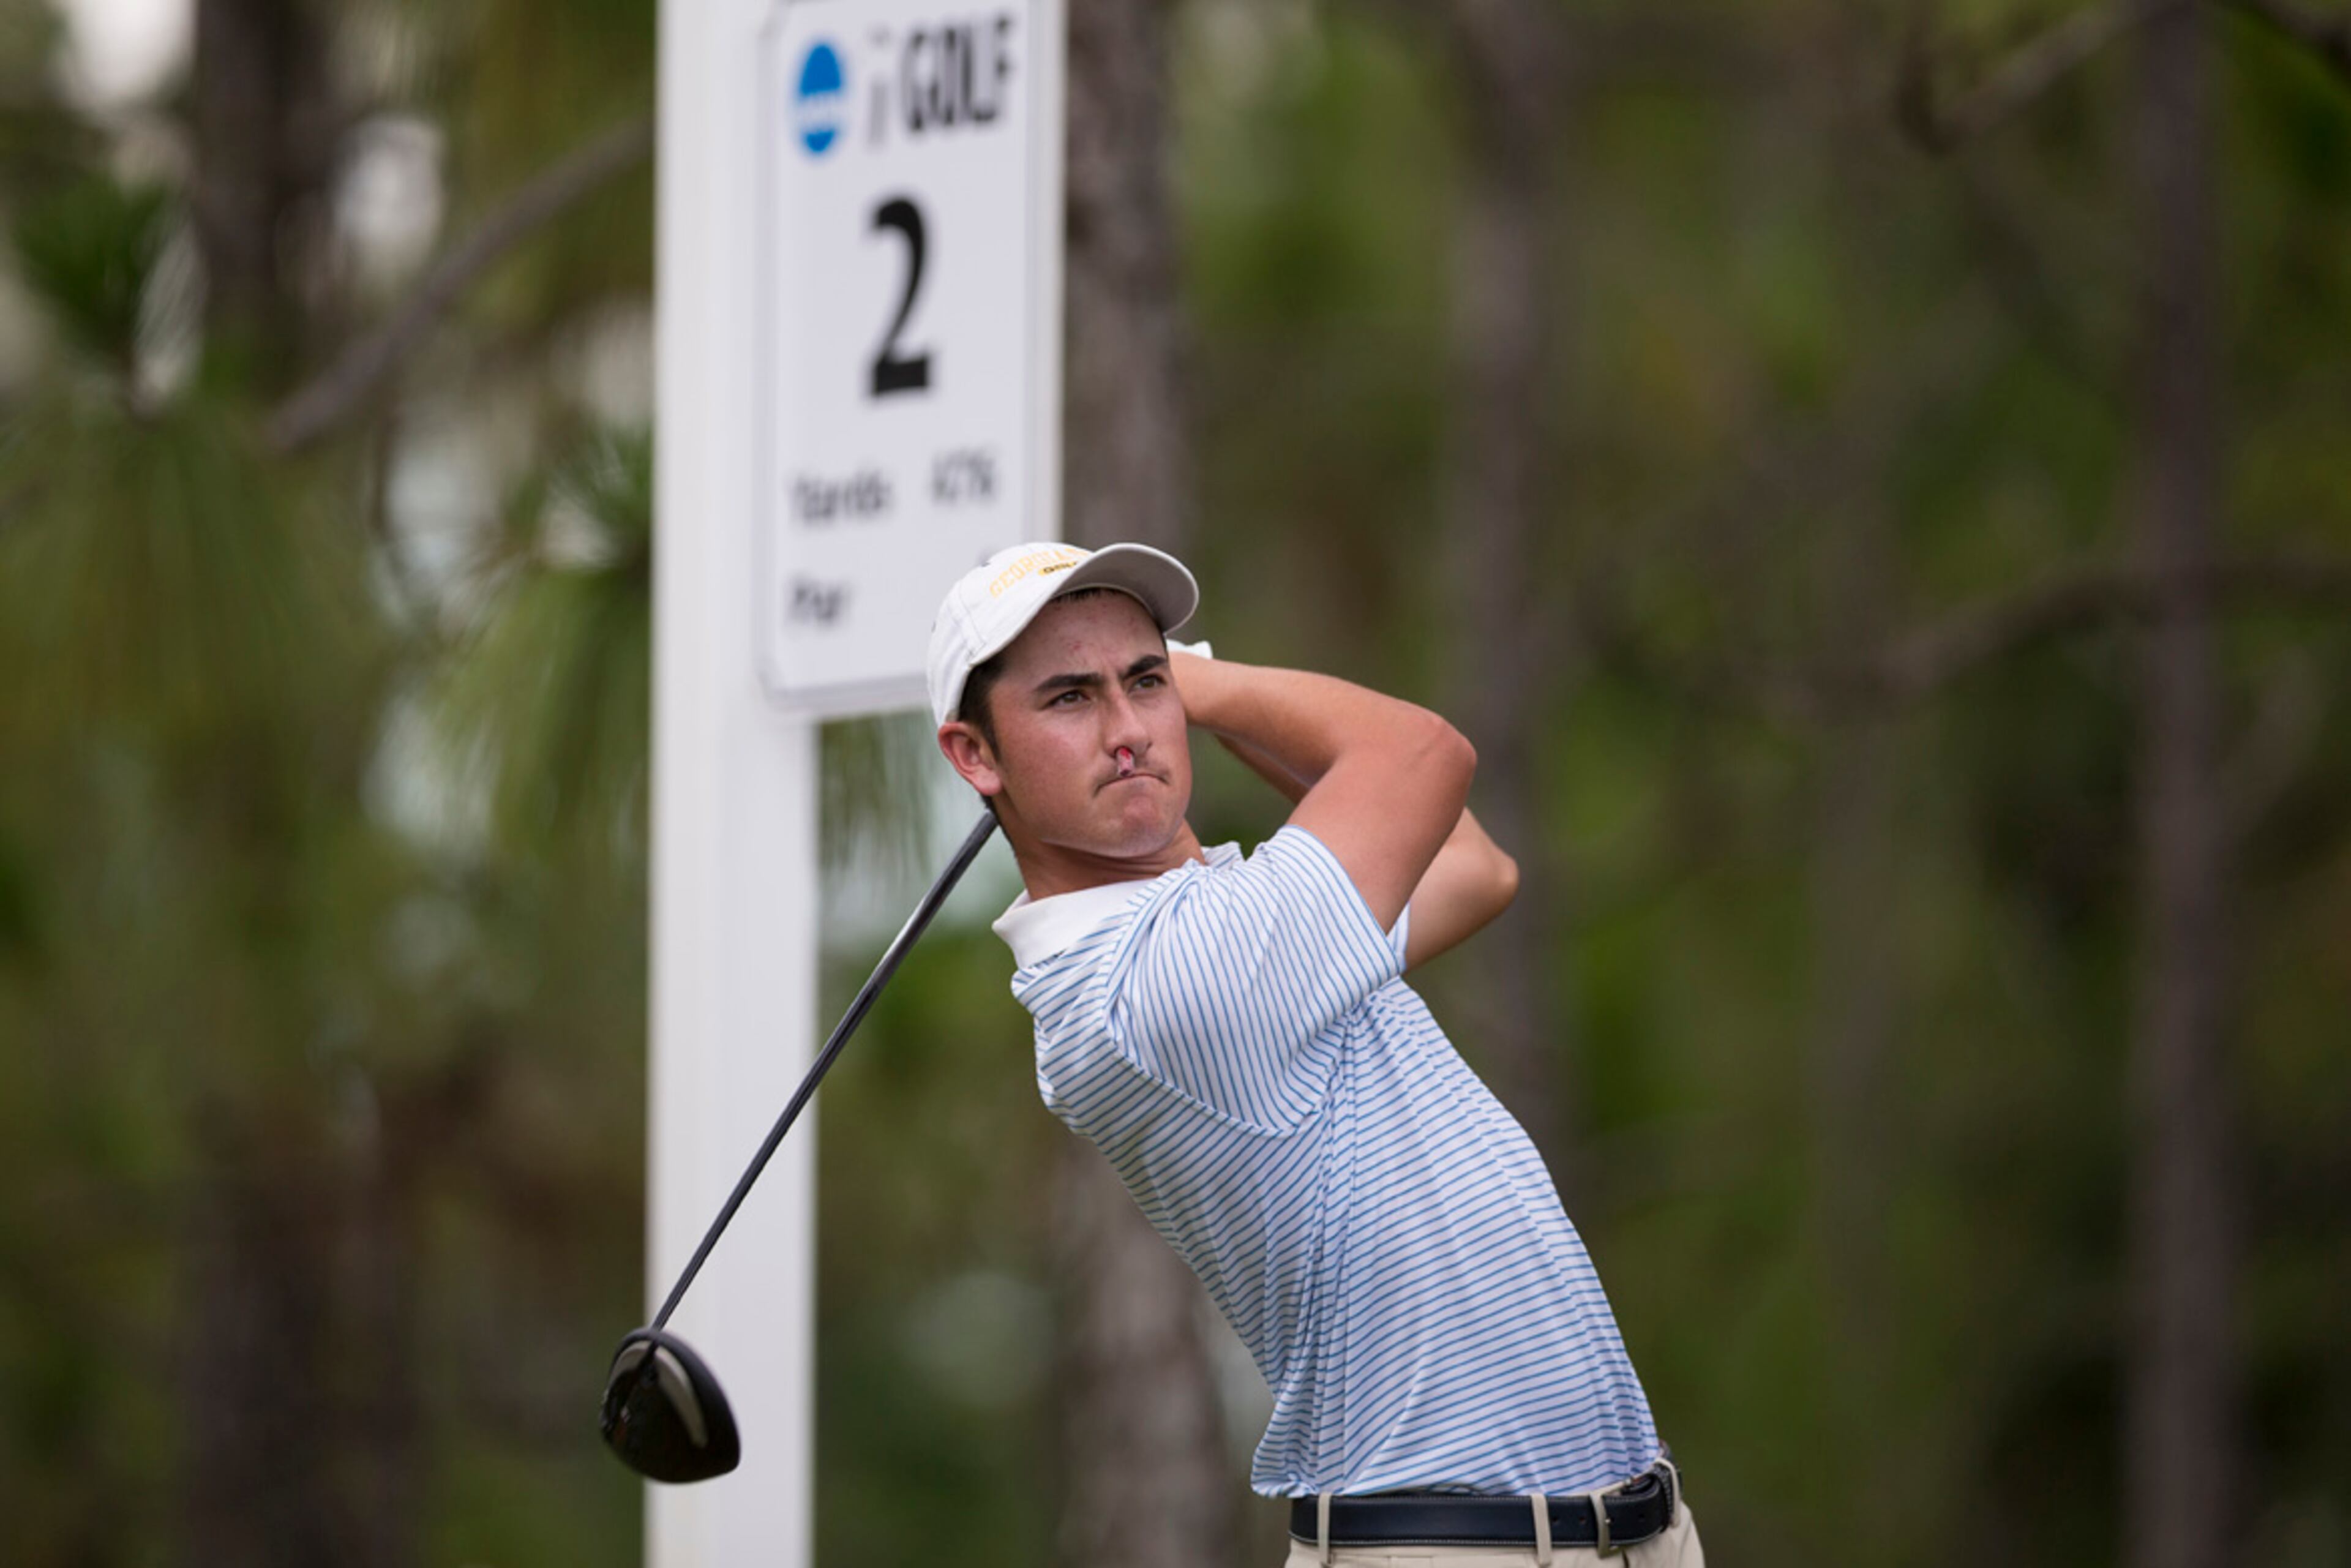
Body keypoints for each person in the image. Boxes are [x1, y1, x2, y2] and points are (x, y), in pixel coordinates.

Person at [929, 540, 1703, 1566]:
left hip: (1618, 1530)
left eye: (1142, 682)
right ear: (975, 756)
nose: (1128, 731)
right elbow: (1425, 757)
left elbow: (1473, 866)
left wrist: (1170, 690)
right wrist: (1198, 685)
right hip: (1456, 1546)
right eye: (1071, 698)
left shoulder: (1239, 927)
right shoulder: (1166, 986)